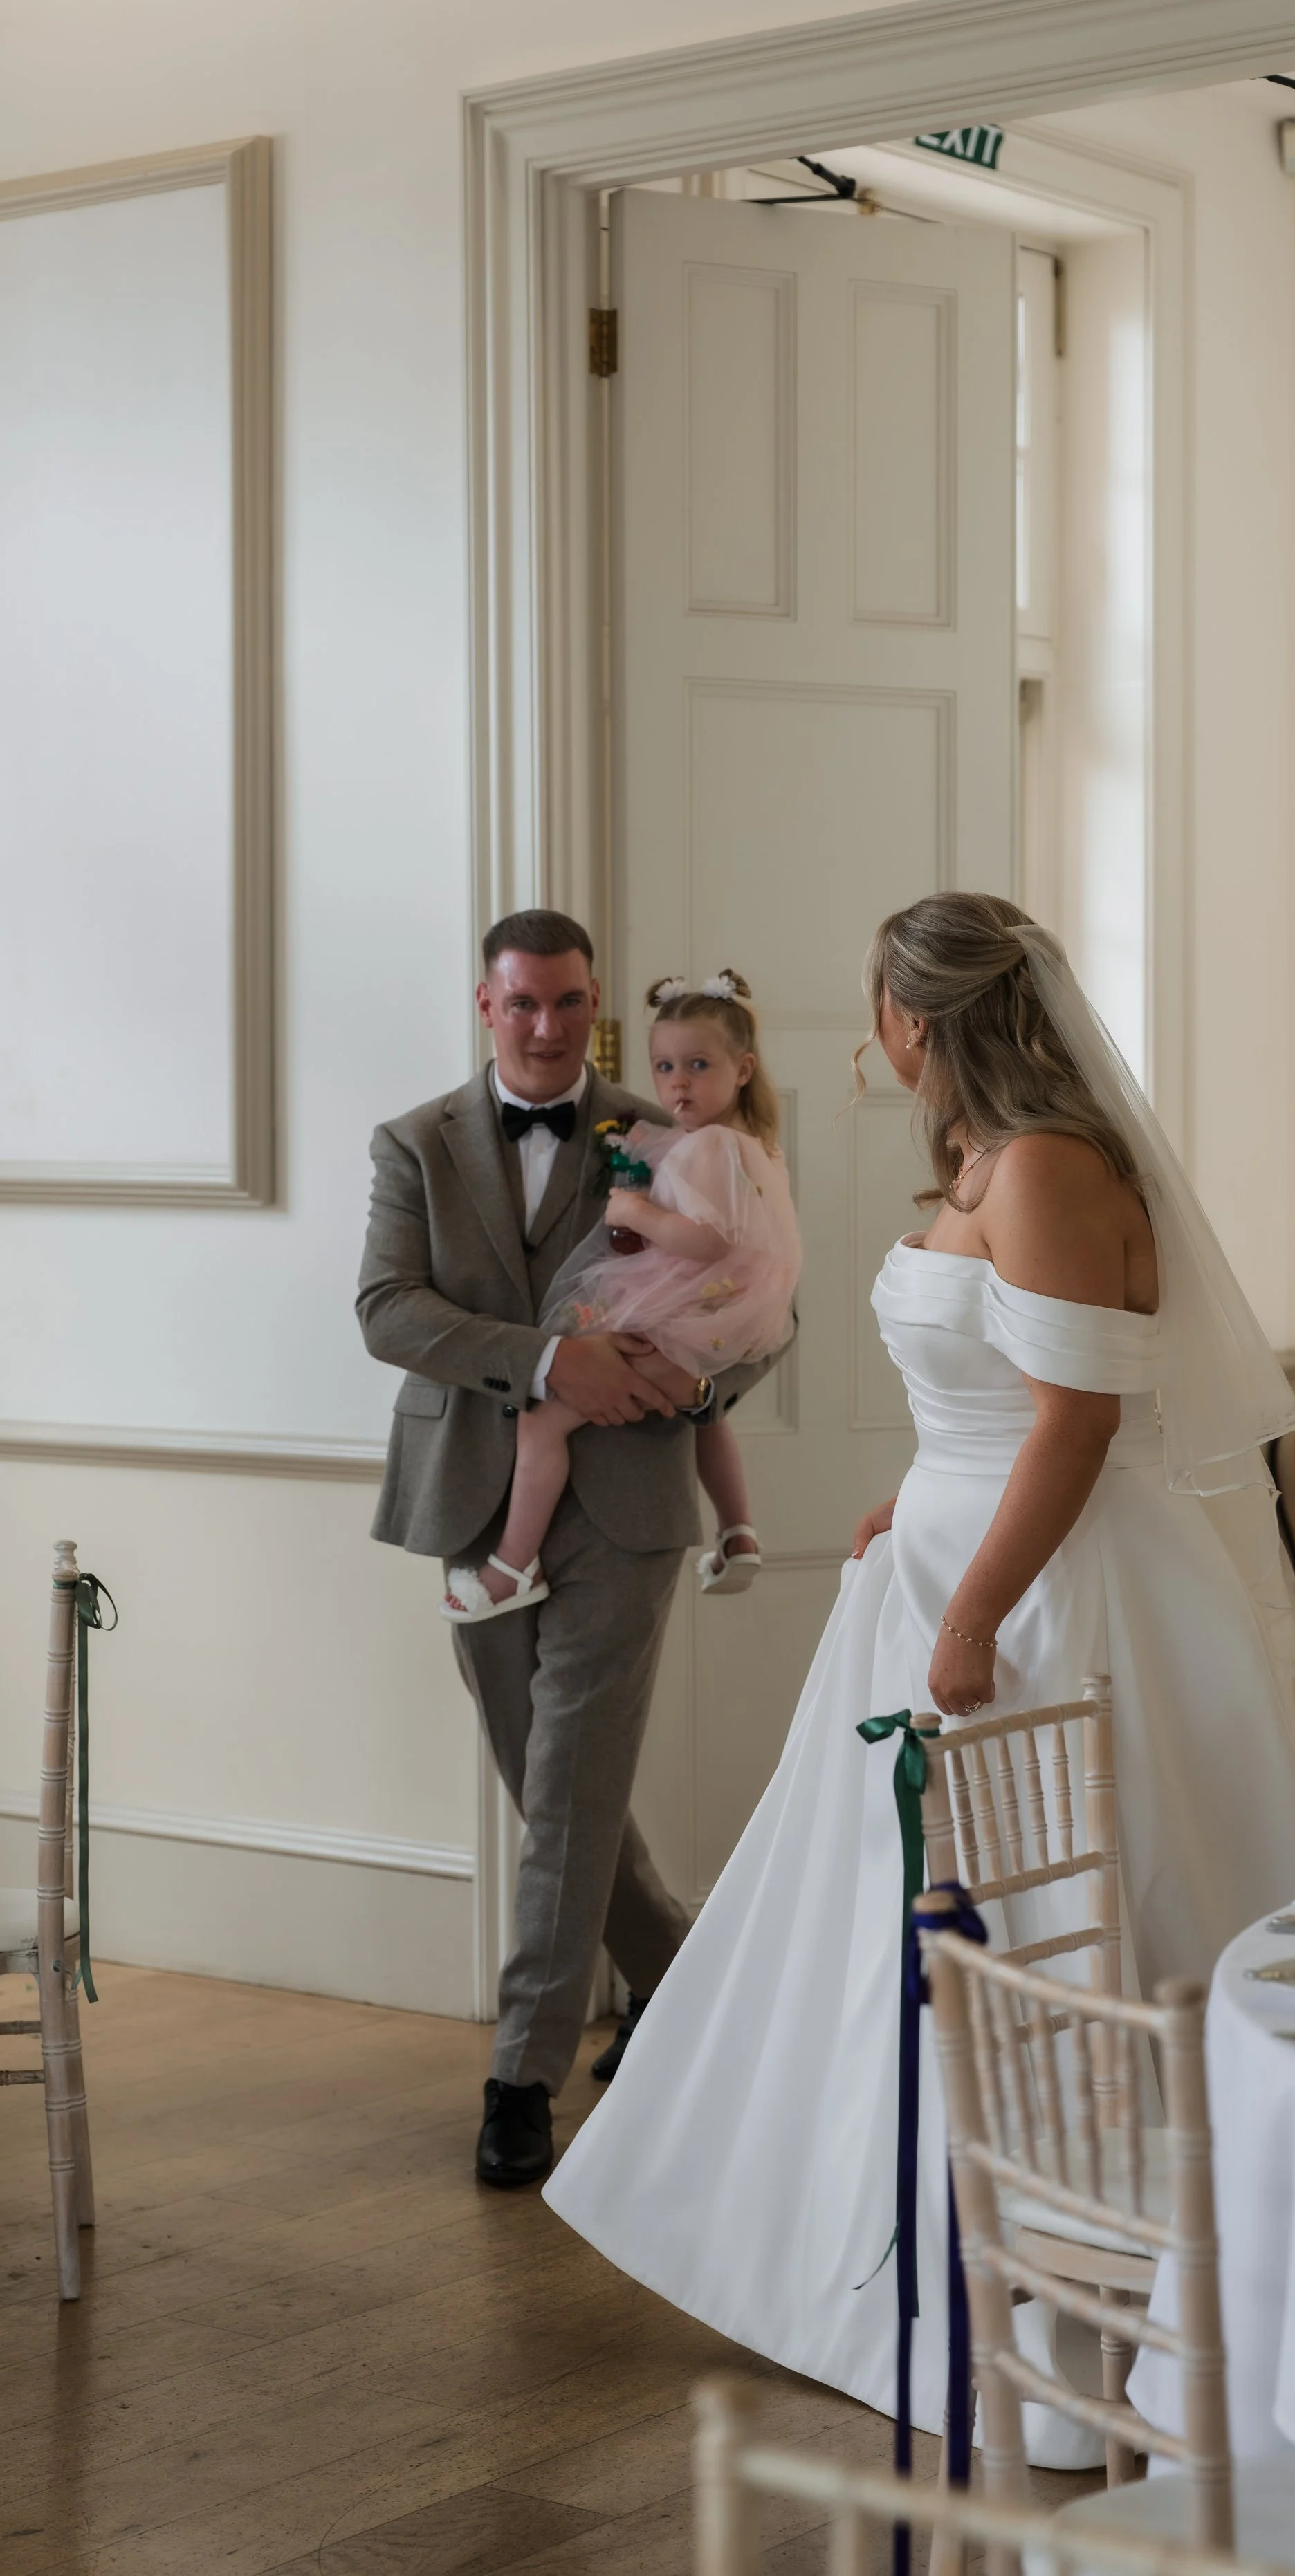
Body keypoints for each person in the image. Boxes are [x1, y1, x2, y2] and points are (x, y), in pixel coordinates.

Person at [544, 891, 1295, 2456]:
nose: (870, 1038)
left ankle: (1095, 2314)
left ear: (921, 1017)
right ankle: (929, 2281)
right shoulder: (982, 1162)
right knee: (904, 1924)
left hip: (1048, 1595)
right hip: (943, 1553)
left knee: (1056, 1926)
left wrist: (971, 1606)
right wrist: (914, 1498)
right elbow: (988, 1402)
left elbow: (1077, 1422)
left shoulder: (1044, 1166)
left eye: (879, 1010)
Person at [356, 910, 792, 2189]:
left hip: (631, 1505)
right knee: (552, 1790)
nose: (547, 1029)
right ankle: (681, 1982)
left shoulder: (671, 1124)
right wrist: (554, 1361)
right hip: (473, 1502)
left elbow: (768, 1301)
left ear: (592, 1002)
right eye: (521, 1006)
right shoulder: (414, 1144)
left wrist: (683, 1384)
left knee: (569, 1785)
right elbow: (389, 1307)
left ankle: (521, 2076)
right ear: (484, 1006)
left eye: (567, 1005)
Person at [441, 970, 801, 1626]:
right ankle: (738, 1529)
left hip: (684, 1305)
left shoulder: (710, 1146)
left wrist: (636, 1214)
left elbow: (708, 1242)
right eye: (665, 1067)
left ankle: (512, 1564)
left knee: (541, 1420)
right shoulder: (756, 1147)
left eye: (698, 1065)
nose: (679, 1084)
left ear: (743, 1068)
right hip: (717, 1317)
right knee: (706, 1415)